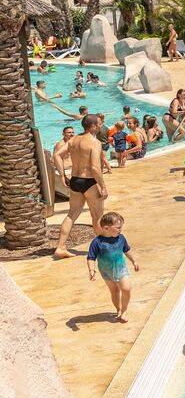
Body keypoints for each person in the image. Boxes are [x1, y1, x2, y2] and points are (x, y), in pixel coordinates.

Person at [53, 114, 107, 258]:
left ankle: (61, 247)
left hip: (75, 181)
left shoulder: (73, 140)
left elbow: (57, 155)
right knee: (97, 216)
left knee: (71, 215)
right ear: (94, 126)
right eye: (100, 124)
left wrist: (63, 175)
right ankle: (106, 249)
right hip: (89, 182)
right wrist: (103, 186)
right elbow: (95, 168)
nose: (101, 126)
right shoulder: (94, 142)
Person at [86, 211, 139, 323]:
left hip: (120, 268)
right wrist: (91, 270)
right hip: (106, 271)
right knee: (114, 291)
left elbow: (126, 250)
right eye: (118, 228)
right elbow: (91, 257)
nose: (120, 230)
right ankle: (119, 310)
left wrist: (134, 260)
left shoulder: (121, 238)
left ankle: (124, 310)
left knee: (126, 289)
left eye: (121, 227)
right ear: (106, 228)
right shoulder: (97, 242)